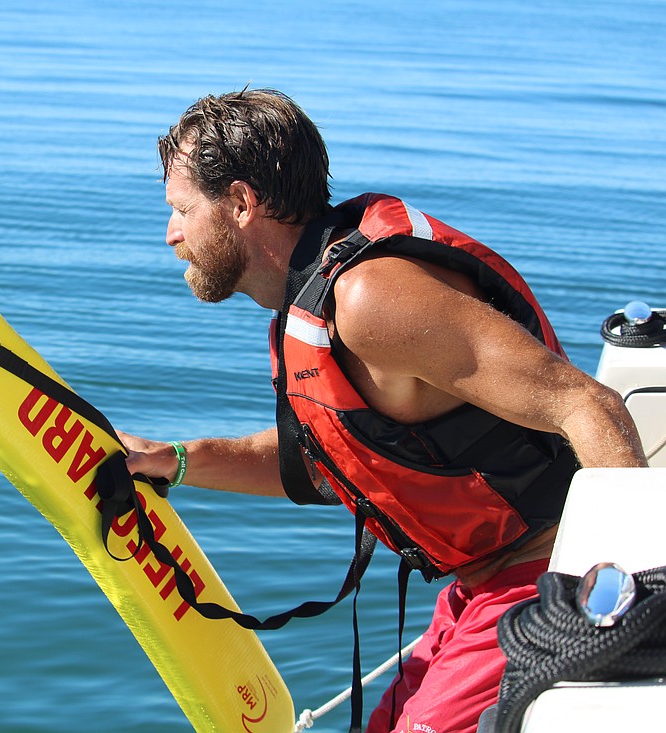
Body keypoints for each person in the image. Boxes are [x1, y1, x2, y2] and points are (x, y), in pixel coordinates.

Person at [120, 88, 648, 733]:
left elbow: (587, 405)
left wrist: (627, 599)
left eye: (180, 210)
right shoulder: (309, 305)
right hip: (473, 589)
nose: (171, 234)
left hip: (537, 580)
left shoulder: (370, 297)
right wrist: (170, 461)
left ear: (239, 203)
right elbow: (321, 465)